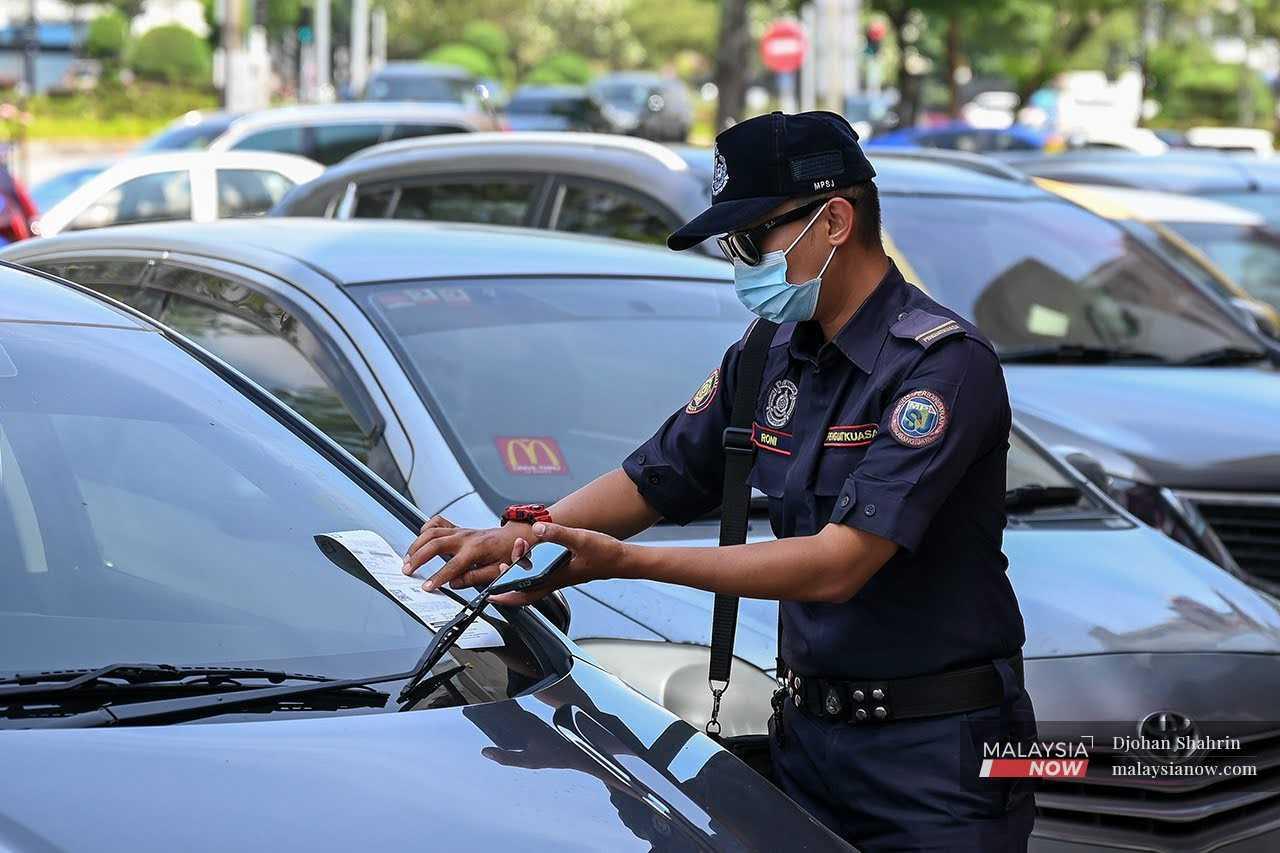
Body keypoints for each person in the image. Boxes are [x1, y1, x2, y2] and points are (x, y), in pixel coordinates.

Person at [402, 110, 1038, 851]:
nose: (740, 263)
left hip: (936, 760)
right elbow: (655, 478)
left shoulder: (941, 366)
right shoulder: (769, 352)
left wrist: (625, 564)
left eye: (749, 239)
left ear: (833, 220)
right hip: (806, 741)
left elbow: (841, 563)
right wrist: (520, 537)